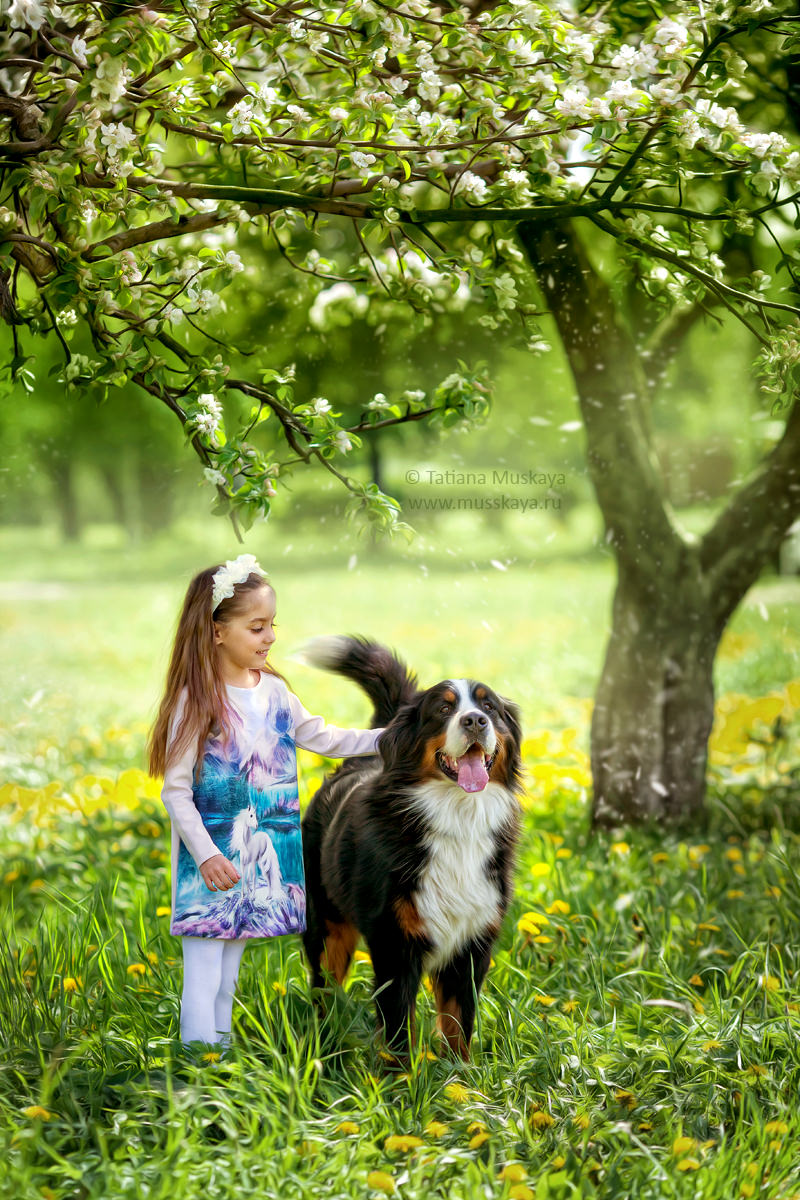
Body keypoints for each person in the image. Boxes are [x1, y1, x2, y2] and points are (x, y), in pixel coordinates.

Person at [147, 554, 384, 1049]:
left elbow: (323, 736)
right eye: (257, 627)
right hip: (210, 862)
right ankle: (197, 1065)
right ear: (216, 632)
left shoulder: (274, 691)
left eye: (272, 625)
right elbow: (175, 791)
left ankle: (219, 1055)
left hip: (253, 859)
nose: (270, 637)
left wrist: (388, 739)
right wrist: (207, 854)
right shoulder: (198, 699)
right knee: (204, 971)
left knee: (229, 972)